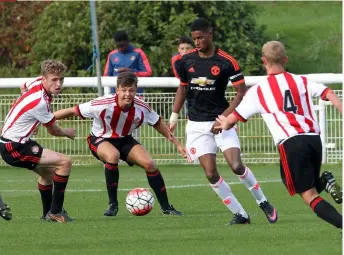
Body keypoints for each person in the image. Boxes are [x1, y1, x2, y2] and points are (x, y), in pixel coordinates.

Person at [215, 41, 342, 229]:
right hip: (314, 140)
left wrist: (224, 123)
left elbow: (233, 118)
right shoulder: (300, 81)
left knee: (310, 196)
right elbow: (328, 92)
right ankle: (325, 181)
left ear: (263, 60)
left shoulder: (259, 90)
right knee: (299, 183)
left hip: (291, 144)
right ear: (285, 59)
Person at [168, 18, 277, 225]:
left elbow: (240, 92)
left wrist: (226, 118)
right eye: (194, 38)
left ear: (210, 34)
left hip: (222, 121)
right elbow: (182, 88)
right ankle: (240, 214)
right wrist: (174, 116)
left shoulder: (227, 61)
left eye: (201, 37)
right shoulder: (185, 61)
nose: (197, 42)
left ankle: (263, 202)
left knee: (236, 165)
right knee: (210, 173)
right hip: (196, 125)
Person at [54, 71, 186, 216]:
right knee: (113, 155)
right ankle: (113, 205)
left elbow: (158, 124)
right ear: (117, 90)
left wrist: (178, 144)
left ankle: (166, 208)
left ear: (136, 90)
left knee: (150, 164)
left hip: (125, 139)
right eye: (124, 90)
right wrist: (45, 121)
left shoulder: (142, 107)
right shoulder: (102, 104)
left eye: (131, 90)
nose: (127, 94)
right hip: (99, 139)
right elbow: (72, 111)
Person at [0, 60, 75, 223]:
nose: (58, 84)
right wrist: (67, 132)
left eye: (61, 79)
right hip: (15, 146)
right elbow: (53, 130)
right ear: (44, 79)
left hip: (17, 142)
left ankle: (47, 213)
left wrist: (29, 119)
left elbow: (23, 86)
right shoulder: (40, 101)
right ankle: (56, 212)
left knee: (48, 173)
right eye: (54, 80)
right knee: (65, 162)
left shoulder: (35, 82)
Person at [104, 30, 152, 94]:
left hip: (134, 95)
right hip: (116, 95)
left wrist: (131, 72)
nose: (120, 48)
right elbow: (106, 75)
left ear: (127, 42)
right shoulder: (112, 55)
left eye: (122, 45)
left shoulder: (138, 53)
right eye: (118, 46)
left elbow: (148, 72)